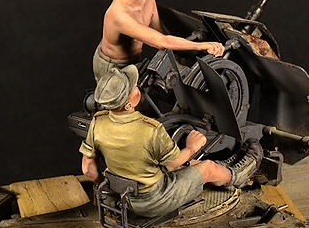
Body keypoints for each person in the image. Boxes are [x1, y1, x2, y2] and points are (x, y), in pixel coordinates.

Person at [79, 65, 262, 219]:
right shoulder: (151, 129)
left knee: (191, 165)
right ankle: (238, 176)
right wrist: (191, 147)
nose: (137, 88)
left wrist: (111, 188)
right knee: (207, 168)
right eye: (134, 87)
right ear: (128, 104)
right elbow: (172, 165)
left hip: (125, 195)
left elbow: (88, 170)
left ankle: (223, 169)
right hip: (154, 201)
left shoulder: (98, 122)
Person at [94, 0, 225, 84]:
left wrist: (182, 57)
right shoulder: (119, 15)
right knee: (129, 98)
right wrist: (201, 46)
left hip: (134, 59)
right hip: (114, 67)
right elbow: (162, 42)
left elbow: (158, 32)